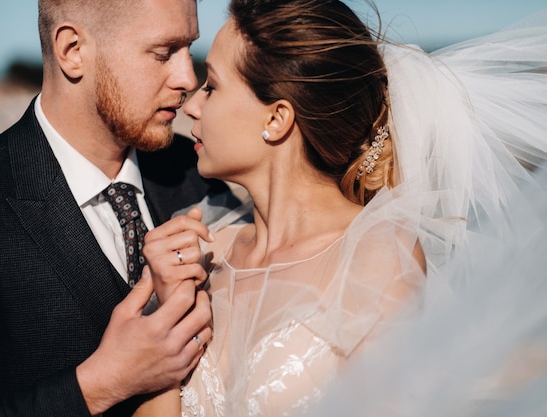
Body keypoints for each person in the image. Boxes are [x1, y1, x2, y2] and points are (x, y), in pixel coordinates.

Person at [136, 0, 547, 416]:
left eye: (213, 87)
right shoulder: (205, 252)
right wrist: (171, 318)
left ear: (277, 119)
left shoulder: (378, 259)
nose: (192, 106)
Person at [0, 0, 235, 415]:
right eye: (163, 53)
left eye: (188, 49)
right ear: (72, 50)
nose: (187, 78)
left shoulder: (198, 169)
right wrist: (100, 384)